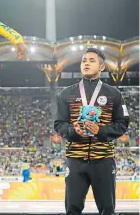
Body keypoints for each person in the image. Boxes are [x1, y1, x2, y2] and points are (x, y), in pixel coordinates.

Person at [54, 48, 130, 215]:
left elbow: (122, 124)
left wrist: (101, 130)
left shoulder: (114, 94)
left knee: (107, 210)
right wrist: (73, 131)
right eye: (83, 60)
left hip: (103, 159)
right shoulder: (66, 94)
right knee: (72, 209)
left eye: (91, 60)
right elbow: (59, 124)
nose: (86, 63)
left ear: (101, 67)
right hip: (75, 160)